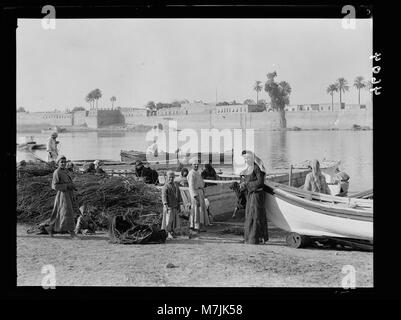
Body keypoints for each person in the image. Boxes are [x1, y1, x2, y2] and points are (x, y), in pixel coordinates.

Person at [240, 150, 269, 244]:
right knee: (250, 215)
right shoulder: (247, 169)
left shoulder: (257, 168)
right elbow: (245, 180)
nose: (246, 160)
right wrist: (242, 184)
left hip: (257, 195)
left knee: (256, 216)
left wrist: (247, 184)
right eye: (244, 158)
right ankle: (251, 238)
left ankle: (256, 238)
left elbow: (260, 182)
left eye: (247, 158)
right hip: (250, 195)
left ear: (252, 158)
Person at [46, 155, 78, 238]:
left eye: (64, 162)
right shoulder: (57, 172)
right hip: (62, 195)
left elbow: (67, 183)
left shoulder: (65, 171)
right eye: (61, 162)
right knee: (67, 212)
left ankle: (50, 228)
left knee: (58, 212)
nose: (63, 163)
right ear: (58, 163)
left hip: (68, 195)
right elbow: (54, 186)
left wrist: (72, 186)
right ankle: (72, 233)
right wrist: (67, 186)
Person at [187, 157, 210, 234]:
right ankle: (194, 227)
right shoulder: (191, 173)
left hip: (200, 192)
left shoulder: (198, 173)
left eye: (197, 164)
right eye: (194, 164)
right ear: (191, 165)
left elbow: (201, 183)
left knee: (201, 210)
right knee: (195, 210)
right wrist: (195, 196)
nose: (196, 166)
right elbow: (191, 186)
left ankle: (200, 225)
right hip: (195, 194)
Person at [161, 171, 183, 240]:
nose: (171, 179)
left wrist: (180, 204)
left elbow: (179, 195)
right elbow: (163, 196)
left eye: (172, 177)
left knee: (174, 221)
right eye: (170, 177)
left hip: (175, 206)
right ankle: (168, 233)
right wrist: (165, 204)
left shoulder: (176, 185)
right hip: (169, 207)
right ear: (167, 177)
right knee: (168, 221)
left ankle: (172, 232)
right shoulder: (165, 186)